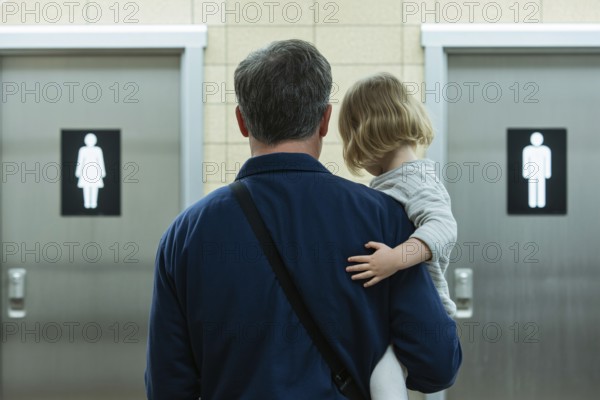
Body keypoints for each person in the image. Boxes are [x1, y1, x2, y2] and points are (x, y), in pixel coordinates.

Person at [145, 40, 461, 400]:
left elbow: (169, 385)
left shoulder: (185, 235)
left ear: (242, 121)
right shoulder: (385, 218)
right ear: (325, 120)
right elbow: (436, 364)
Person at [338, 72, 458, 400]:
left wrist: (395, 259)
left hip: (429, 312)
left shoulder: (414, 180)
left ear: (367, 133)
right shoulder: (397, 180)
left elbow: (444, 227)